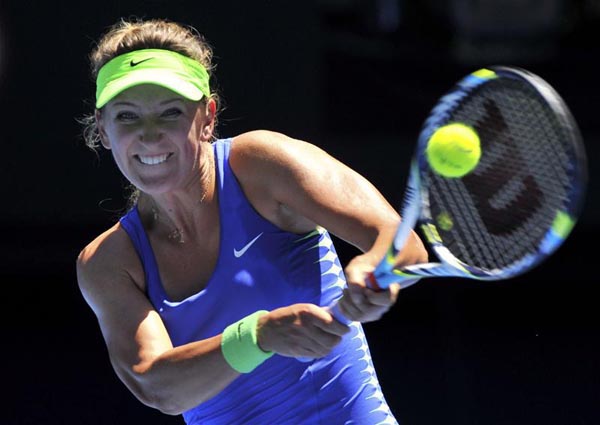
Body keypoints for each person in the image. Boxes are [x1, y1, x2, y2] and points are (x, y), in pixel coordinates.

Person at [76, 17, 428, 424]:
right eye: (127, 117)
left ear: (207, 116)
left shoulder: (261, 165)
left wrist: (375, 268)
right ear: (102, 129)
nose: (150, 136)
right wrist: (259, 336)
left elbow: (401, 242)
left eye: (170, 112)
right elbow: (158, 387)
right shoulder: (107, 262)